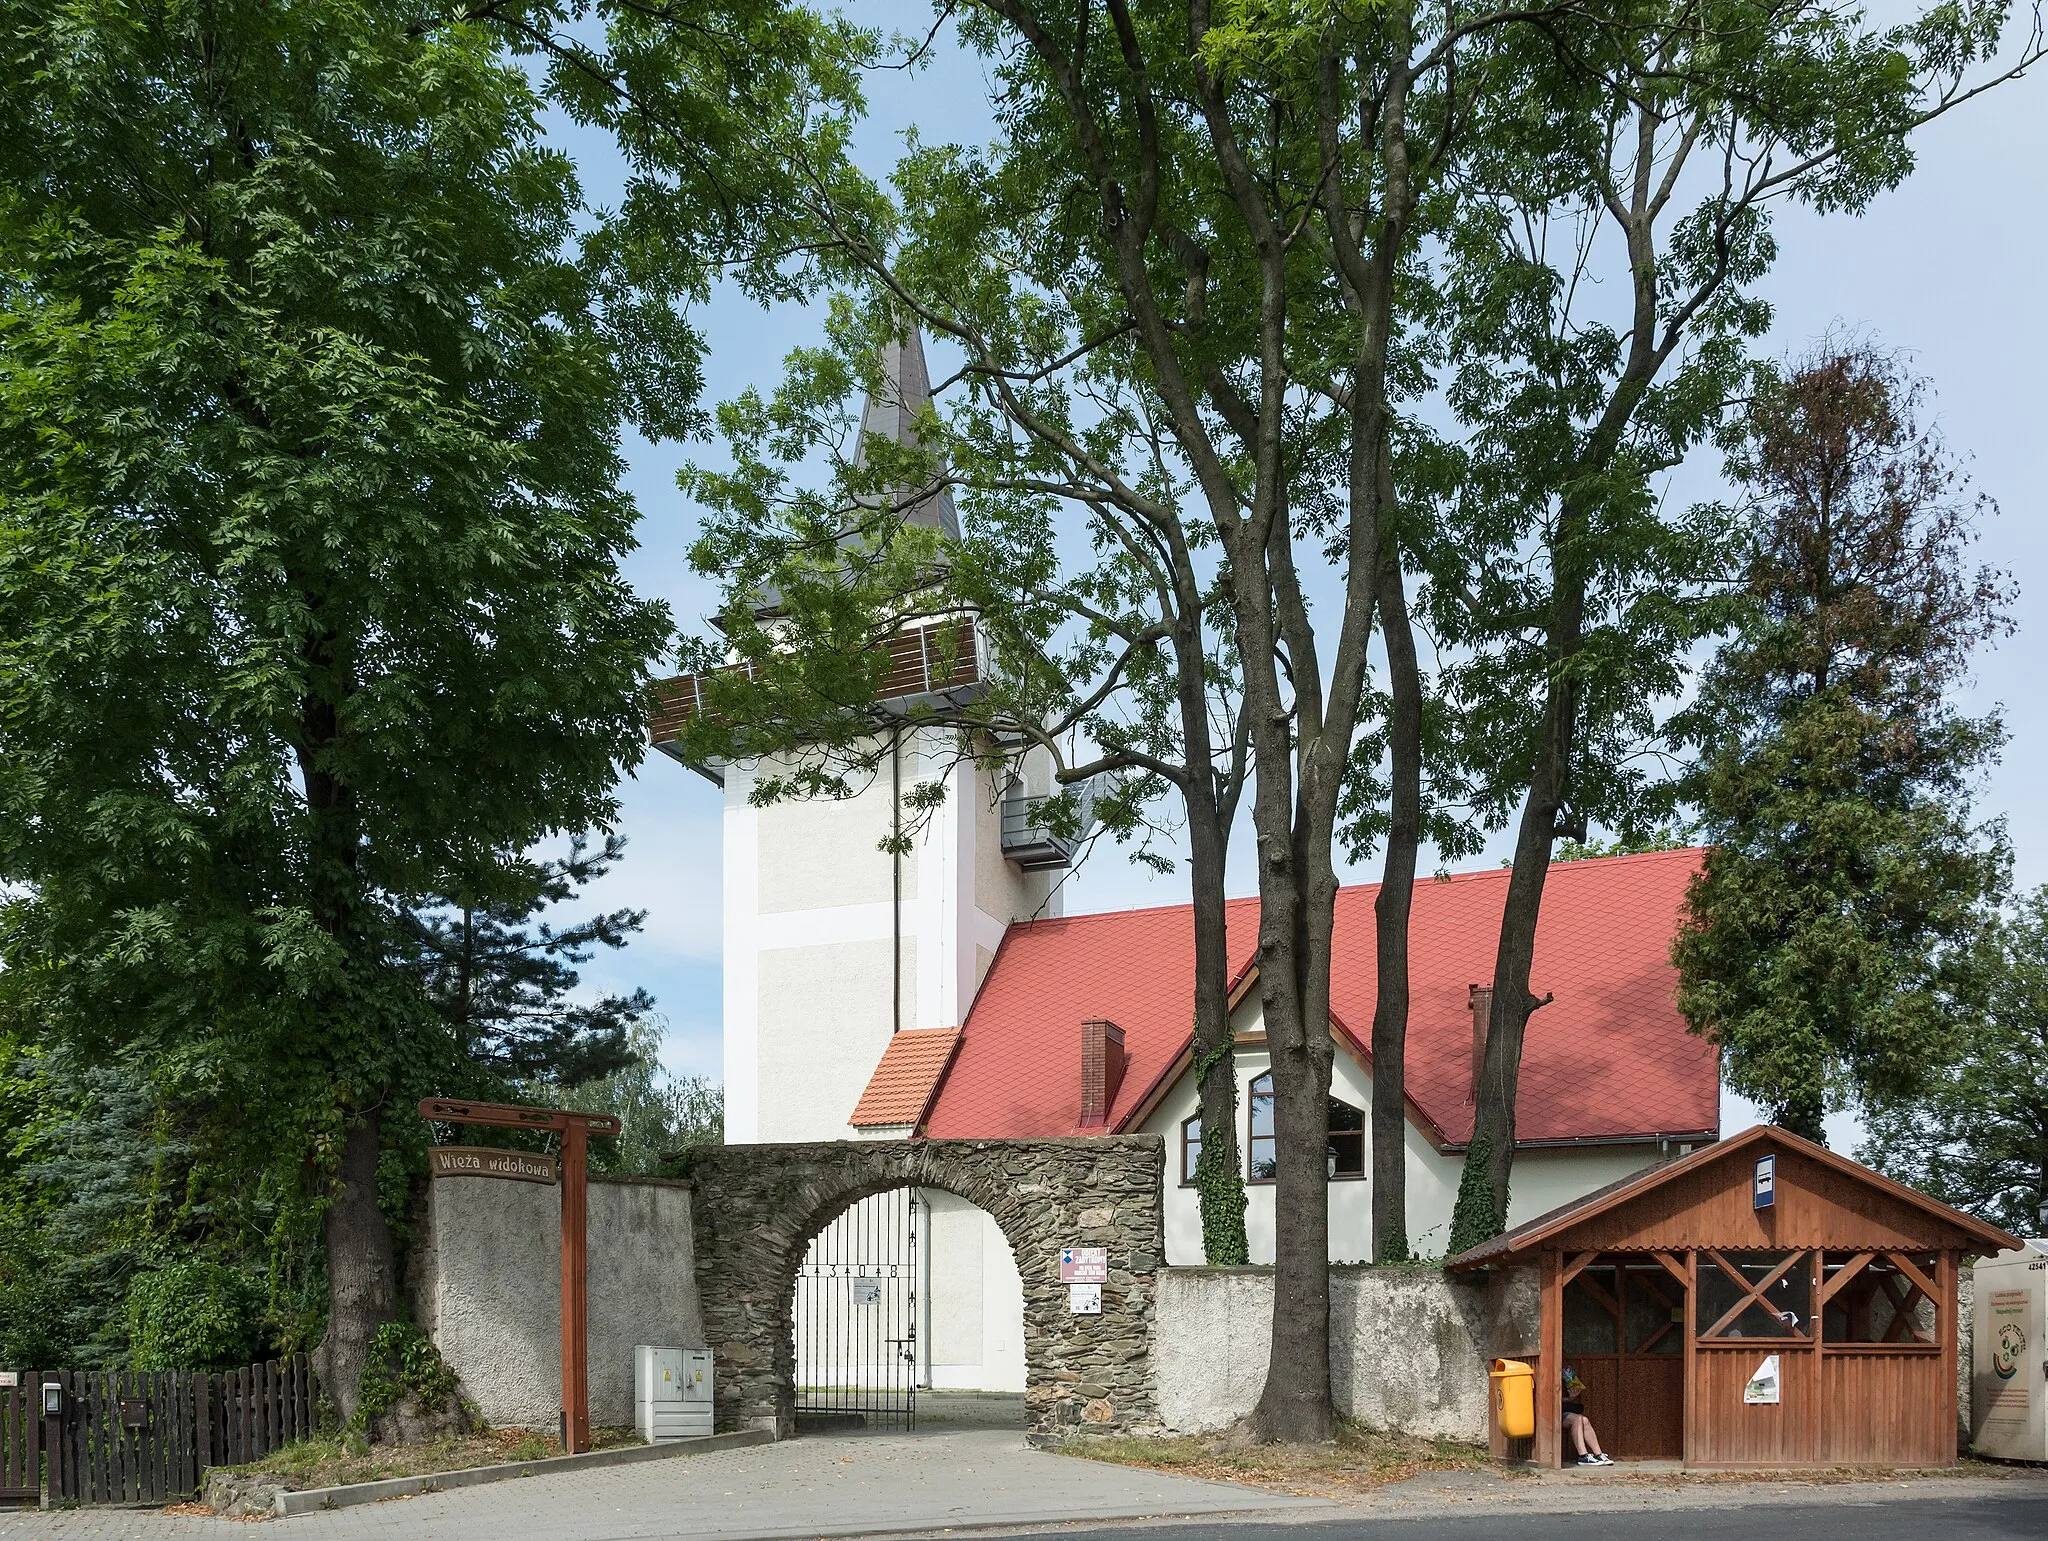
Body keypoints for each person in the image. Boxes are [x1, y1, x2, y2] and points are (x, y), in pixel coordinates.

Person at [1561, 1369, 1613, 1466]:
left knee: (1584, 1420)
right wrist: (1568, 1399)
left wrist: (1570, 1398)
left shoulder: (1564, 1373)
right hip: (1551, 1414)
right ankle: (1583, 1456)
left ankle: (1598, 1454)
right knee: (1577, 1419)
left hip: (1562, 1410)